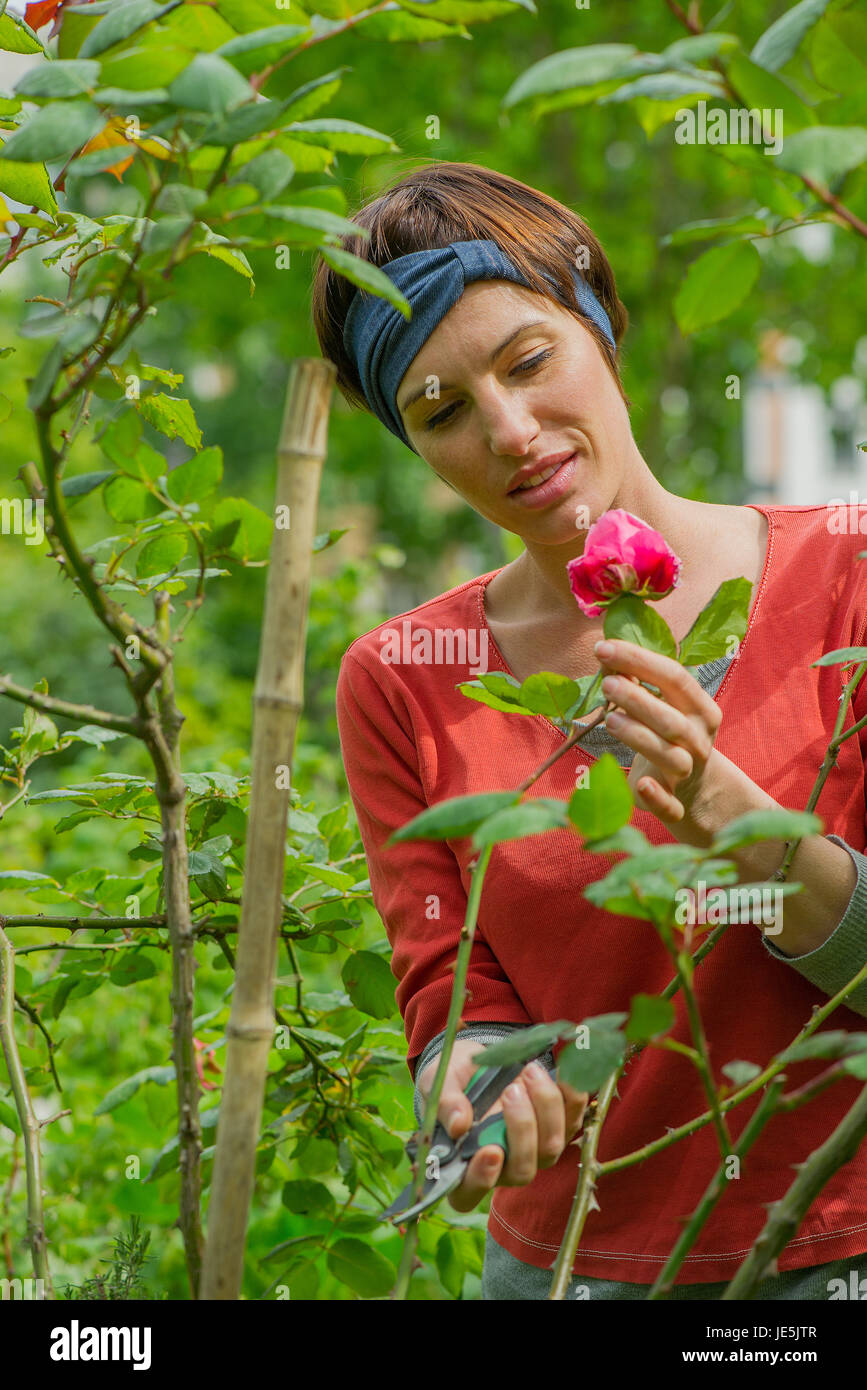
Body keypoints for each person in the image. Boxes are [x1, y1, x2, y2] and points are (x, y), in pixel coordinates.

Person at [314, 160, 867, 1299]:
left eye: (529, 361)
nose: (510, 431)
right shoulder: (401, 680)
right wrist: (473, 1077)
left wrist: (743, 830)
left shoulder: (847, 575)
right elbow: (448, 983)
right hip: (573, 1270)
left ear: (600, 323)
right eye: (443, 412)